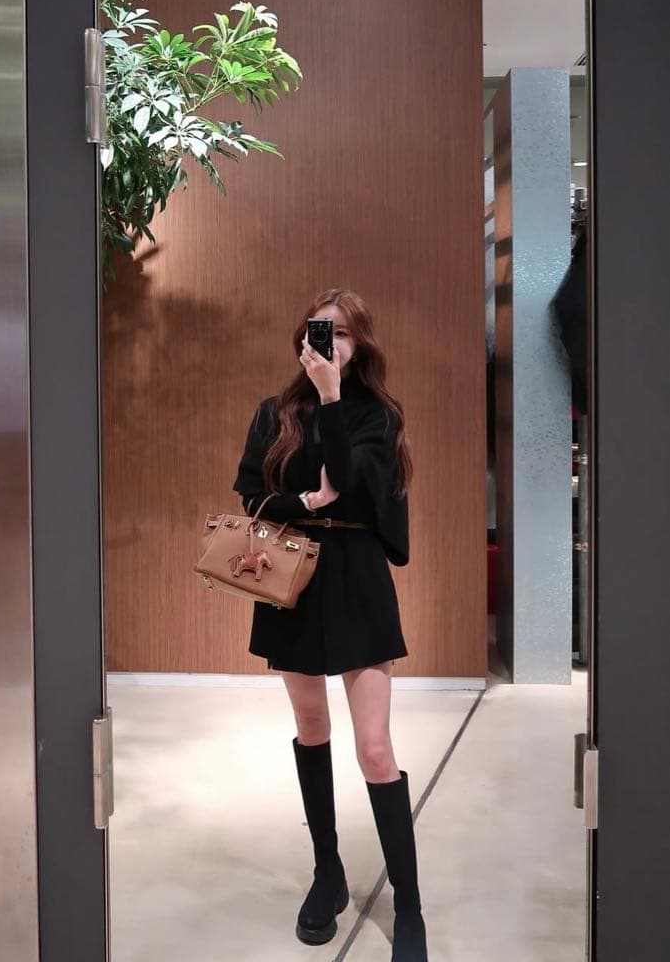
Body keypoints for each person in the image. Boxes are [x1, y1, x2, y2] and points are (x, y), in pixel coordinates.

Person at [232, 288, 429, 961]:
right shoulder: (275, 413)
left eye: (342, 333)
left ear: (359, 344)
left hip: (357, 577)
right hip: (291, 578)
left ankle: (409, 905)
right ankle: (328, 872)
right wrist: (303, 502)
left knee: (374, 748)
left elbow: (345, 479)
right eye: (319, 332)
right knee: (311, 726)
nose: (329, 343)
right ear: (303, 340)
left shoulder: (377, 416)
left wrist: (332, 398)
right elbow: (251, 494)